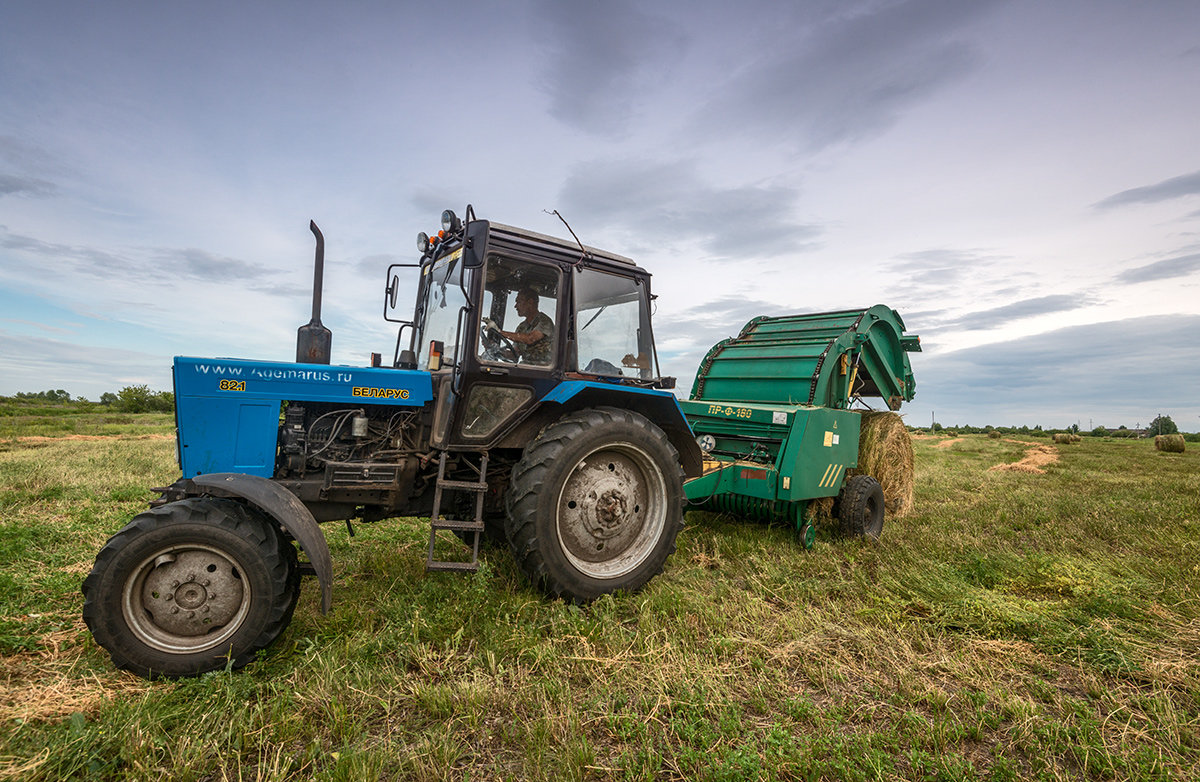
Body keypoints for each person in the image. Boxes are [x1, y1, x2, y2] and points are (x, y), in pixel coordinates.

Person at [496, 287, 554, 365]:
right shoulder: (521, 327)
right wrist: (495, 351)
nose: (515, 306)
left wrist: (500, 332)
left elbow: (530, 339)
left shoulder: (544, 321)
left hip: (543, 370)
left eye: (518, 302)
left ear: (530, 302)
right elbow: (514, 354)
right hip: (525, 367)